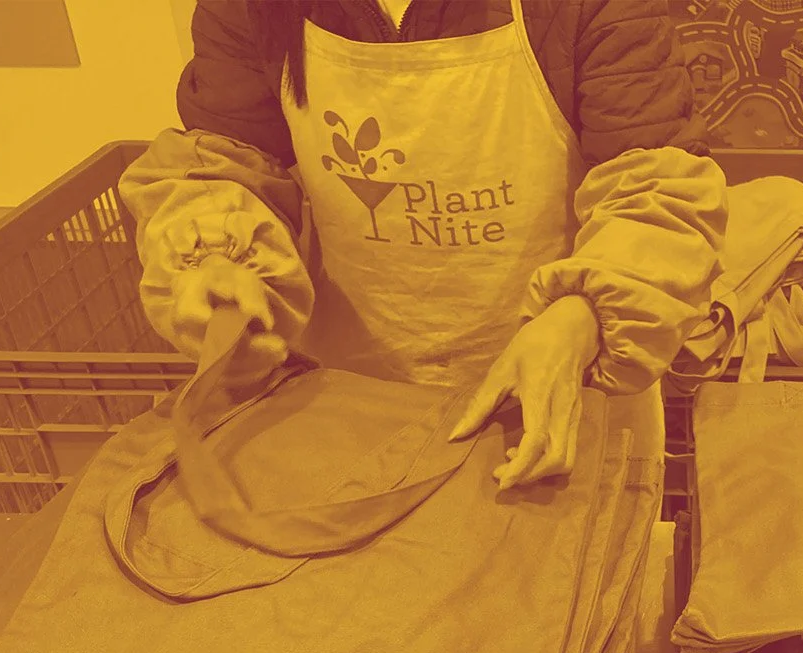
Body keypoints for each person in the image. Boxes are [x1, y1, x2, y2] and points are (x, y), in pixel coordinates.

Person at [120, 0, 728, 490]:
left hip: (559, 395)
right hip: (351, 399)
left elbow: (653, 190)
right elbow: (227, 159)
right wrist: (219, 257)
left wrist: (583, 313)